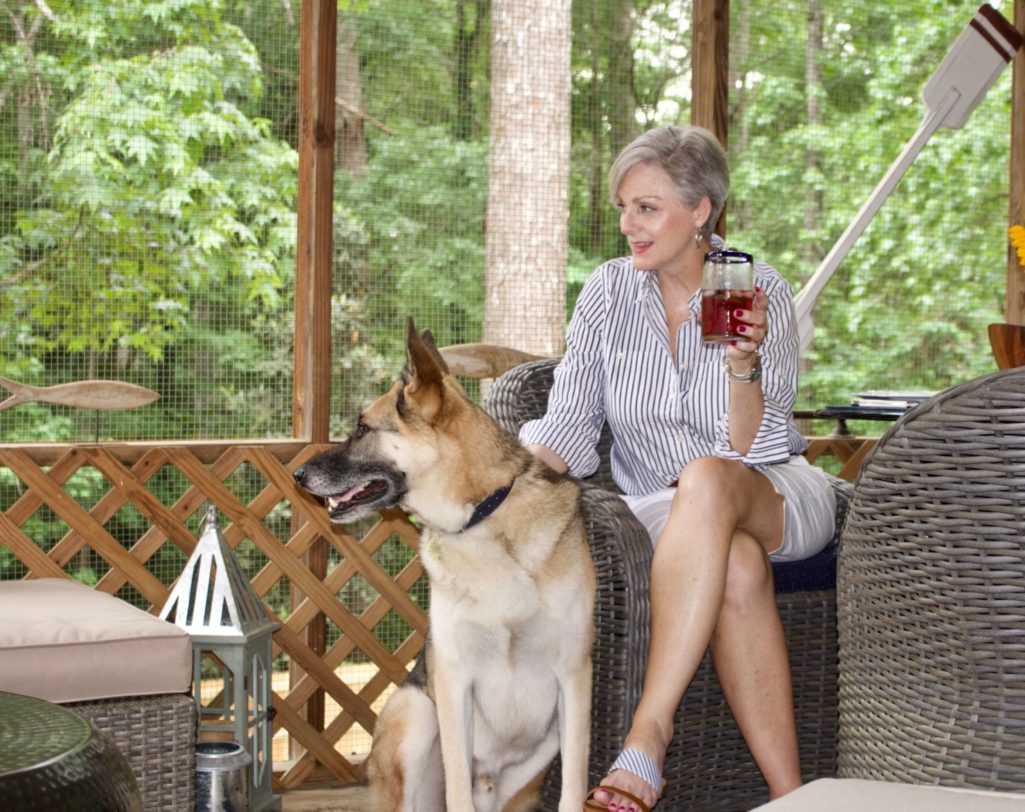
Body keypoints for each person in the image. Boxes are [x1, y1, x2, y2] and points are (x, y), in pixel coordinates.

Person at [519, 125, 836, 811]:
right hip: (666, 511)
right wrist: (506, 487)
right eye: (623, 207)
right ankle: (791, 797)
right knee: (737, 567)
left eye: (647, 208)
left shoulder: (756, 290)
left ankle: (646, 737)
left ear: (700, 212)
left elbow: (750, 450)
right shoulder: (606, 293)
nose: (628, 225)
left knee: (708, 479)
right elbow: (570, 424)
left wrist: (742, 365)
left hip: (773, 491)